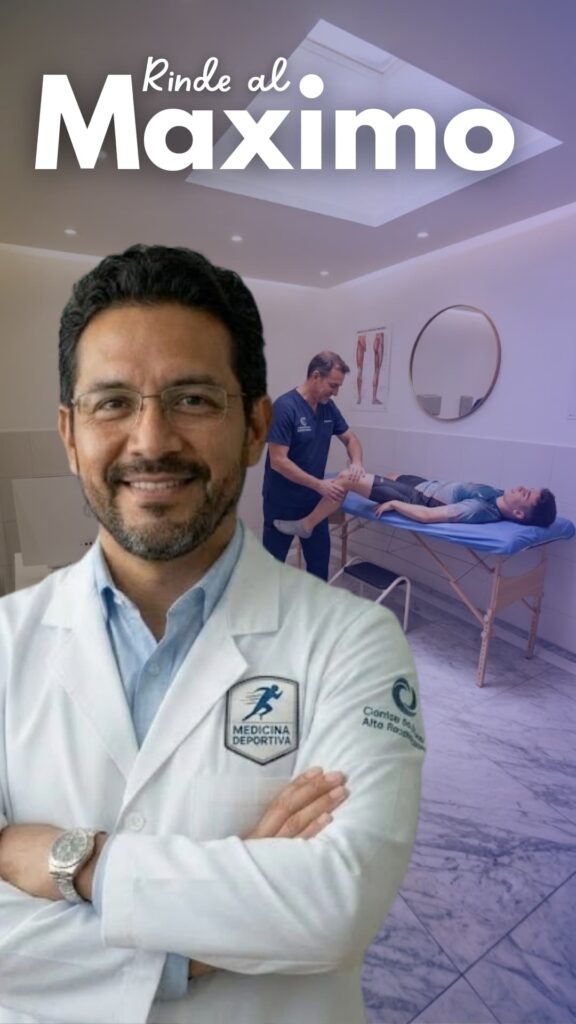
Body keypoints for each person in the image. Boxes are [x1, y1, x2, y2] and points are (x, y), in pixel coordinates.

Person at [0, 245, 424, 1024]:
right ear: (69, 433)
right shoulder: (5, 641)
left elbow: (335, 904)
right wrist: (207, 935)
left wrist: (75, 863)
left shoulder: (356, 643)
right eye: (112, 402)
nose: (151, 441)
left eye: (193, 398)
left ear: (255, 426)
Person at [262, 352, 364, 579]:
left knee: (319, 566)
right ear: (316, 376)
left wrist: (356, 463)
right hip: (282, 502)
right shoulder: (285, 408)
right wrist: (319, 485)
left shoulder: (328, 408)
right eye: (333, 385)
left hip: (313, 504)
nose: (335, 392)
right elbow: (278, 461)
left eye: (338, 387)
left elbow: (350, 439)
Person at [273, 469, 557, 537]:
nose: (523, 488)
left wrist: (396, 505)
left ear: (518, 513)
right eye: (528, 488)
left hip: (415, 497)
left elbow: (428, 516)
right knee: (386, 473)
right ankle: (328, 506)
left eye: (526, 495)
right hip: (422, 483)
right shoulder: (498, 494)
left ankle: (307, 525)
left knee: (346, 477)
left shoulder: (481, 510)